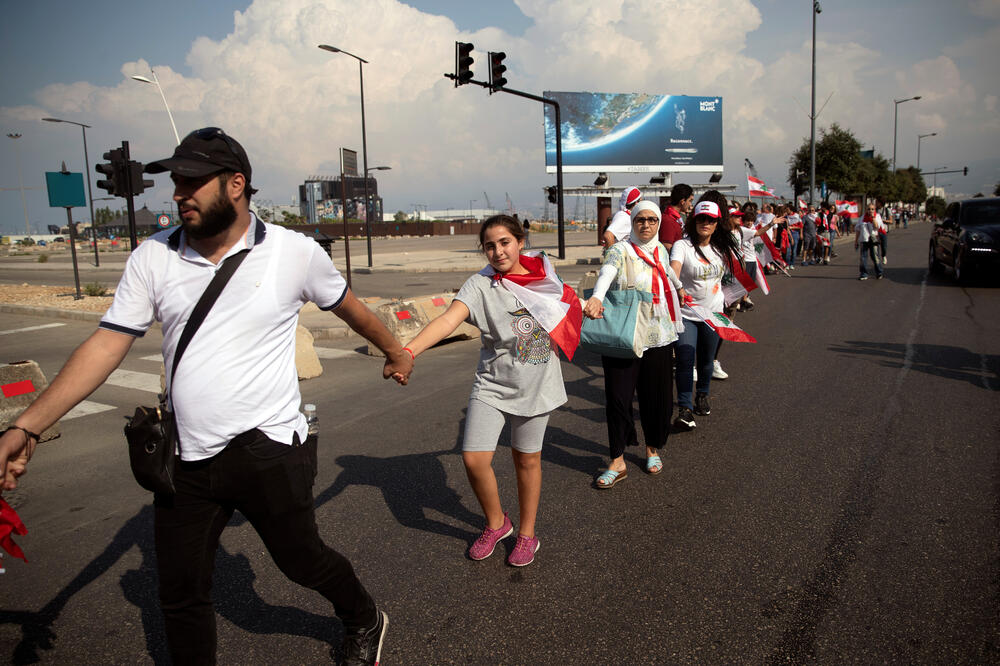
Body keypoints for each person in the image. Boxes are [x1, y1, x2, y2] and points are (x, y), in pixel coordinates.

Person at [0, 128, 412, 666]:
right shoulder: (154, 256)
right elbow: (106, 345)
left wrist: (393, 349)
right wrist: (27, 425)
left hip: (270, 449)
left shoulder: (294, 252)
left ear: (236, 184)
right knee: (180, 592)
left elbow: (349, 307)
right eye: (176, 182)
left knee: (302, 562)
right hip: (186, 458)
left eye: (192, 182)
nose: (178, 194)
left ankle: (362, 615)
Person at [394, 214, 580, 567]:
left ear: (520, 241)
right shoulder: (480, 285)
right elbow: (449, 319)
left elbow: (565, 307)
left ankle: (527, 534)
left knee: (526, 460)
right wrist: (408, 351)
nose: (497, 251)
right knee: (474, 458)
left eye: (504, 242)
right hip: (492, 383)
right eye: (489, 246)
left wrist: (589, 308)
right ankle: (497, 523)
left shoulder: (544, 276)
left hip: (537, 384)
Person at [583, 201, 685, 488]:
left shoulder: (661, 250)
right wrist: (598, 297)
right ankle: (617, 460)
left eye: (652, 219)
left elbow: (668, 272)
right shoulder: (620, 249)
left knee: (658, 397)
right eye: (641, 219)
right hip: (625, 334)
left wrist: (679, 288)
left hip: (659, 333)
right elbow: (607, 273)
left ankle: (652, 448)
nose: (647, 224)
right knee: (618, 398)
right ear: (632, 222)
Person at [670, 196, 741, 431]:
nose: (705, 223)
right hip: (687, 313)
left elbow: (730, 278)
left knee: (707, 360)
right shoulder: (683, 246)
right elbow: (674, 270)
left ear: (717, 223)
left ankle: (702, 395)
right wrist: (677, 286)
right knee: (684, 357)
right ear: (694, 220)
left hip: (713, 313)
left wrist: (733, 301)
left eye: (710, 219)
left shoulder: (722, 248)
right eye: (701, 218)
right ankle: (684, 409)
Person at [659, 182, 694, 251]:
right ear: (682, 201)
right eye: (690, 201)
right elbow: (666, 247)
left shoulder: (675, 218)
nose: (690, 204)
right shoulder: (668, 220)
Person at [855, 202, 885, 280]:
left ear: (874, 210)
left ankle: (879, 272)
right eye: (869, 209)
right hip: (864, 239)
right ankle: (863, 274)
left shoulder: (877, 216)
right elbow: (858, 230)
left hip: (873, 239)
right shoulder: (862, 218)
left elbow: (876, 226)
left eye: (872, 209)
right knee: (863, 257)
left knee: (875, 256)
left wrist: (873, 218)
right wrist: (856, 241)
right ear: (866, 210)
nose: (870, 210)